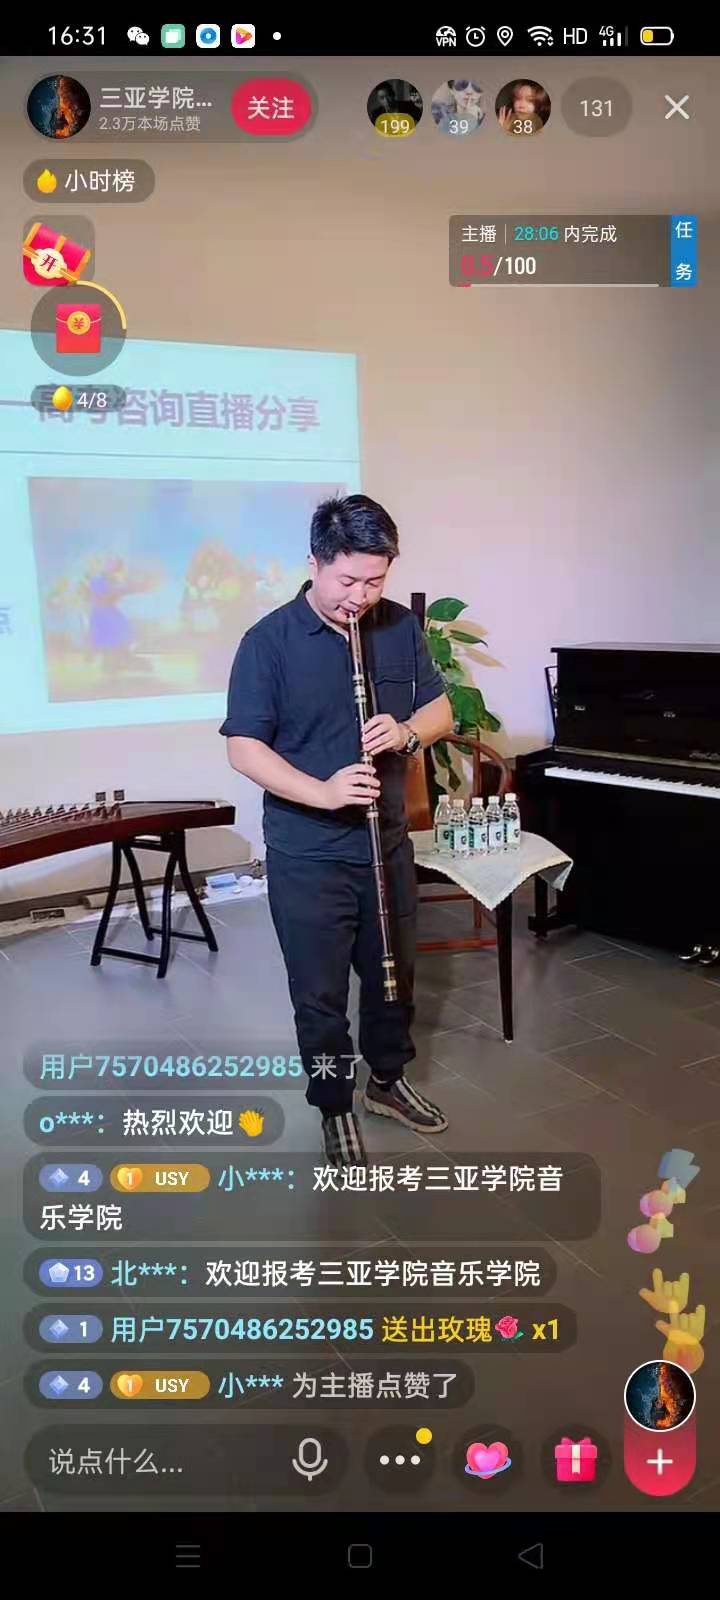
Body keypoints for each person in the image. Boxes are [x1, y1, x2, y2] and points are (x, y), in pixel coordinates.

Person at [221, 494, 454, 1168]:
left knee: (393, 978)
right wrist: (322, 792)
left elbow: (440, 710)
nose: (360, 597)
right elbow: (244, 748)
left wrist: (407, 731)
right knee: (319, 994)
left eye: (374, 581)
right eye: (348, 580)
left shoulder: (399, 627)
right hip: (308, 854)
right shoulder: (268, 642)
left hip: (385, 844)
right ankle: (333, 1105)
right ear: (314, 564)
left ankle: (387, 1082)